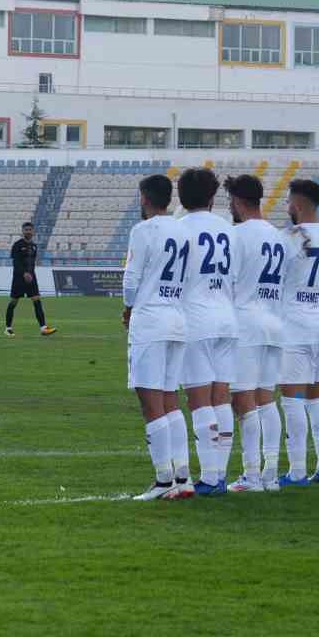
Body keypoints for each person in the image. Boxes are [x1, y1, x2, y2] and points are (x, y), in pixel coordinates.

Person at [123, 175, 193, 501]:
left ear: (145, 198)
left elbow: (131, 279)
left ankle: (164, 479)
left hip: (150, 321)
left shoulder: (143, 231)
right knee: (170, 400)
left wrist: (128, 308)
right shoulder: (183, 230)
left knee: (150, 402)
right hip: (178, 320)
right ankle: (183, 475)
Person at [175, 168, 238, 496]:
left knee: (199, 402)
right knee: (221, 398)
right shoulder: (228, 229)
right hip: (226, 319)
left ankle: (211, 478)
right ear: (212, 198)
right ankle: (220, 475)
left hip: (195, 320)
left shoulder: (178, 229)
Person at [223, 175, 287, 493]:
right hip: (274, 322)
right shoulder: (278, 236)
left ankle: (250, 475)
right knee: (266, 399)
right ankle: (270, 474)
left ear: (237, 200)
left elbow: (228, 281)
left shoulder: (236, 235)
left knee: (242, 401)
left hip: (246, 322)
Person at [277, 179, 319, 486]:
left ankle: (297, 470)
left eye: (288, 202)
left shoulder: (291, 236)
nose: (286, 207)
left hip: (296, 327)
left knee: (292, 399)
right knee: (315, 399)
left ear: (297, 205)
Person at [5, 221, 55, 337]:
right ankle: (8, 328)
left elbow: (32, 263)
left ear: (33, 231)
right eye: (26, 230)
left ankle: (43, 328)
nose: (28, 232)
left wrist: (31, 274)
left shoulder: (34, 246)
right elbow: (16, 262)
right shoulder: (17, 245)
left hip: (31, 277)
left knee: (37, 300)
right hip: (19, 278)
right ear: (22, 231)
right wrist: (24, 273)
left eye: (30, 230)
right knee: (14, 301)